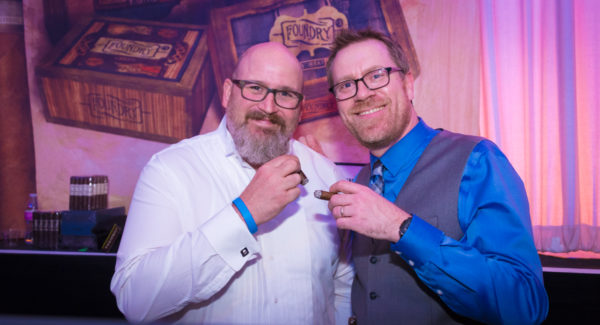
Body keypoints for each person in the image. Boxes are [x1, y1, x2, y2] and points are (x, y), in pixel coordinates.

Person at [110, 42, 353, 324]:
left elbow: (343, 285)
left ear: (300, 109)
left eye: (285, 94)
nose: (268, 106)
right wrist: (244, 214)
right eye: (254, 88)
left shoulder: (327, 175)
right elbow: (135, 300)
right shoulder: (170, 170)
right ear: (227, 93)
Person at [324, 29, 549, 325]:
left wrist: (402, 229)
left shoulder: (477, 161)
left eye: (376, 75)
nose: (362, 93)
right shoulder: (361, 182)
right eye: (346, 85)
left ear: (407, 84)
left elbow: (525, 304)